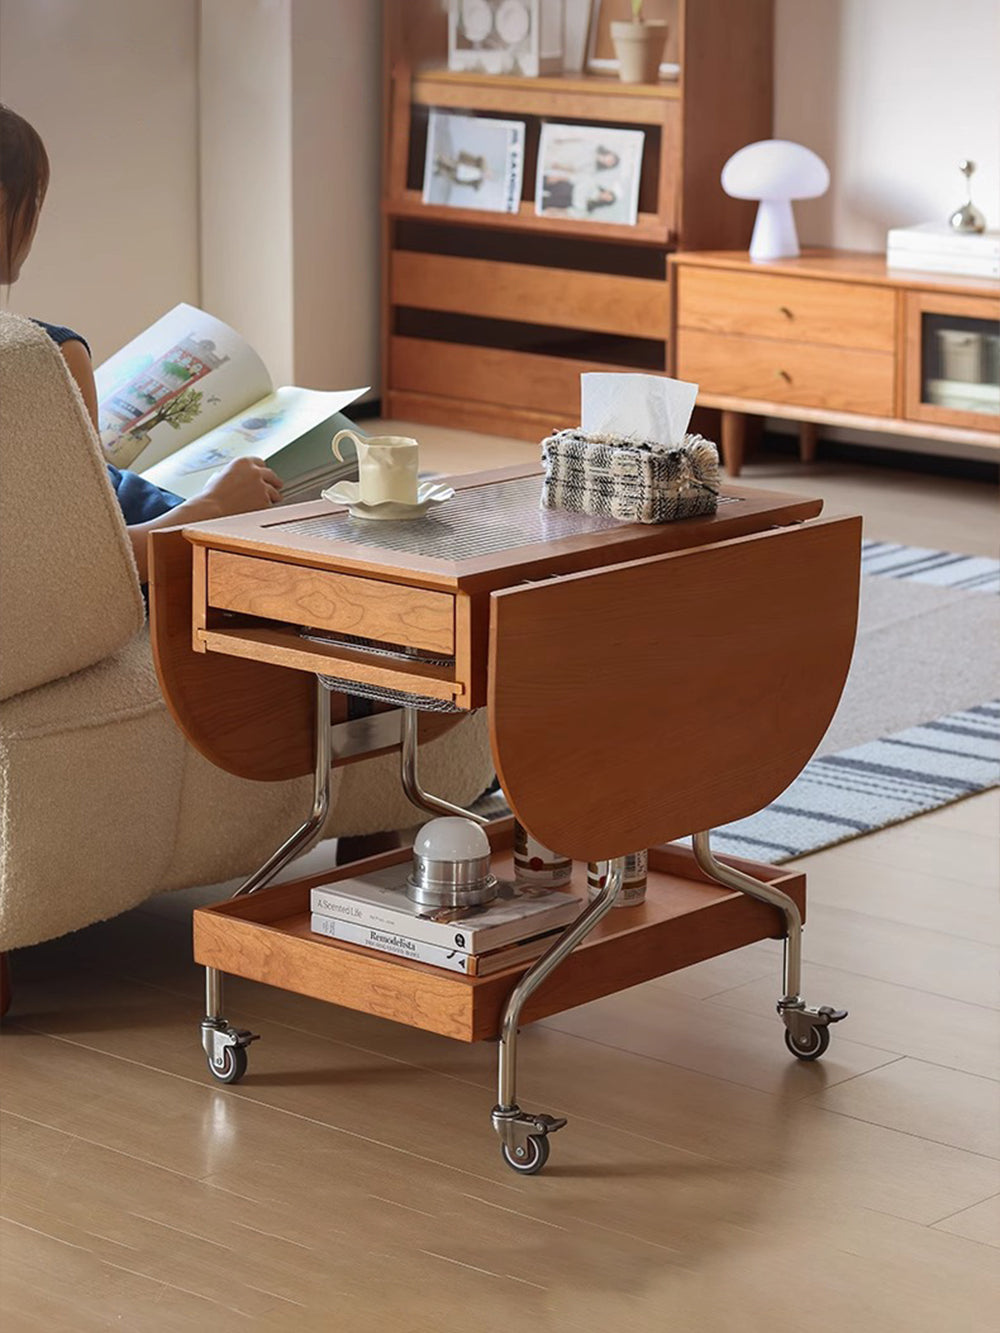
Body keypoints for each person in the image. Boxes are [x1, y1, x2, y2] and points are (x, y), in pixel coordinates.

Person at [0, 103, 282, 584]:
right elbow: (81, 571)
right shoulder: (43, 358)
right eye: (35, 199)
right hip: (149, 532)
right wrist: (214, 507)